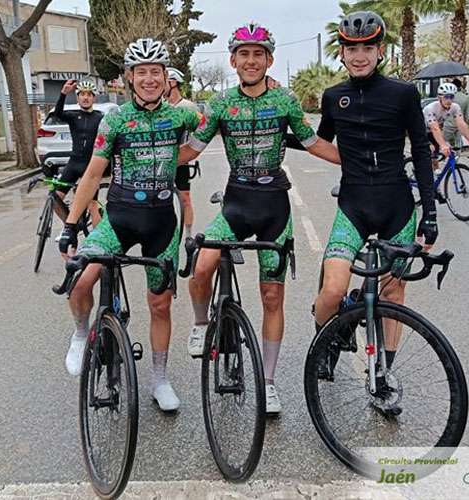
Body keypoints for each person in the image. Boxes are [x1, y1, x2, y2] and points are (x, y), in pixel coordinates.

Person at [178, 22, 340, 415]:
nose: (251, 61)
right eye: (244, 54)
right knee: (202, 267)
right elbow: (192, 150)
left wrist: (361, 164)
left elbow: (313, 141)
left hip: (273, 206)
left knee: (272, 295)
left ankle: (267, 383)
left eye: (259, 54)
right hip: (237, 202)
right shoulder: (219, 104)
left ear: (269, 59)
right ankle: (202, 324)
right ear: (233, 60)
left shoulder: (284, 100)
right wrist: (129, 162)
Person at [58, 39, 202, 412]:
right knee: (80, 279)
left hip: (161, 223)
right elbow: (92, 174)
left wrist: (177, 159)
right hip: (120, 217)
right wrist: (70, 226)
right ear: (129, 78)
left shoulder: (181, 116)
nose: (150, 79)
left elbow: (214, 129)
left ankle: (159, 379)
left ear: (166, 77)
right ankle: (79, 333)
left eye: (156, 71)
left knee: (160, 305)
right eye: (142, 72)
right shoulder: (116, 119)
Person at [310, 11, 436, 412]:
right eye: (352, 48)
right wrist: (287, 134)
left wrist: (429, 213)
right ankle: (328, 339)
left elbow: (419, 150)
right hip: (353, 205)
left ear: (380, 51)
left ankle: (383, 372)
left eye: (367, 47)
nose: (359, 55)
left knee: (394, 293)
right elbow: (323, 143)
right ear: (342, 53)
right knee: (331, 291)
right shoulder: (333, 97)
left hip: (397, 206)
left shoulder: (403, 95)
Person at [52, 80, 105, 225]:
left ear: (94, 98)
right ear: (78, 98)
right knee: (55, 199)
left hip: (91, 166)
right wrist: (63, 93)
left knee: (92, 205)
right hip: (74, 163)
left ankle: (98, 241)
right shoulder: (73, 116)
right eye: (82, 94)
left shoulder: (100, 117)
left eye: (89, 94)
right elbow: (57, 114)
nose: (86, 97)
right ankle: (71, 227)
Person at [165, 67, 198, 239]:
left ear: (173, 83)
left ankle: (188, 235)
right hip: (164, 160)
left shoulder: (188, 107)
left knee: (185, 198)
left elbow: (202, 130)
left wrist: (190, 151)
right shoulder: (161, 107)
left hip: (182, 160)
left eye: (165, 82)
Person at [423, 82, 469, 171]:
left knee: (438, 153)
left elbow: (461, 124)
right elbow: (435, 128)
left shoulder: (455, 107)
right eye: (446, 97)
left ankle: (435, 173)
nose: (449, 100)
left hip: (434, 130)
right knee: (432, 149)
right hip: (420, 129)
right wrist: (443, 145)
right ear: (439, 98)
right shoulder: (430, 108)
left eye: (451, 97)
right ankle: (421, 171)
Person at [442, 78, 469, 149]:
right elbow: (466, 113)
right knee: (458, 142)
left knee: (442, 141)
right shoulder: (465, 97)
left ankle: (446, 154)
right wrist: (465, 123)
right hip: (460, 123)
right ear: (460, 86)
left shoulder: (448, 97)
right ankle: (456, 156)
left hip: (448, 122)